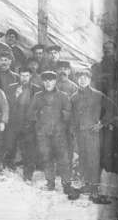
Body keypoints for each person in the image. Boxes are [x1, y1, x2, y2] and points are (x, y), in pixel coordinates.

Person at [27, 71, 79, 199]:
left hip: (59, 134)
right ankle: (50, 182)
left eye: (51, 80)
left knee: (64, 159)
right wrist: (38, 115)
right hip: (43, 133)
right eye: (45, 81)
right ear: (42, 82)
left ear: (55, 81)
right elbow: (30, 113)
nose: (48, 83)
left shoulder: (63, 96)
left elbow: (69, 113)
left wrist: (63, 115)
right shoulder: (37, 96)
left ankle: (66, 184)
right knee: (46, 157)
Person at [70, 69, 117, 204]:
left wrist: (102, 123)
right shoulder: (74, 97)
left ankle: (95, 190)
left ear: (90, 79)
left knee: (93, 160)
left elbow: (113, 108)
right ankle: (86, 184)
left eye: (85, 77)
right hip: (79, 134)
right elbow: (72, 117)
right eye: (80, 77)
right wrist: (73, 131)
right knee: (82, 159)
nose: (82, 80)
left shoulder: (98, 95)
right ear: (77, 79)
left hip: (92, 134)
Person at [5, 67, 41, 180]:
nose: (24, 78)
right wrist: (15, 95)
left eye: (26, 76)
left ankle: (28, 174)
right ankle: (8, 168)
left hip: (29, 123)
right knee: (10, 146)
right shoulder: (11, 88)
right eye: (22, 75)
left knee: (29, 150)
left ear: (30, 76)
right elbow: (6, 105)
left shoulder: (37, 89)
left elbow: (39, 108)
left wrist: (33, 122)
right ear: (18, 76)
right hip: (14, 121)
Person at [91, 40, 118, 174]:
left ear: (115, 51)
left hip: (116, 106)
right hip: (100, 108)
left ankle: (113, 173)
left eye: (110, 49)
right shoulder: (97, 67)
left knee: (115, 143)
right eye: (105, 49)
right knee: (101, 143)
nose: (107, 51)